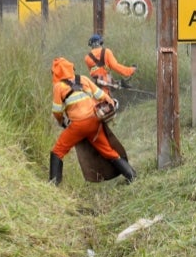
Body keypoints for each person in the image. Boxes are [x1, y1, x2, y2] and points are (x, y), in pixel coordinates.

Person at [50, 57, 136, 185]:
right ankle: (131, 175)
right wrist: (112, 104)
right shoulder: (83, 79)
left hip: (78, 126)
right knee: (108, 151)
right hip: (95, 121)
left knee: (58, 151)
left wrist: (62, 122)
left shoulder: (59, 87)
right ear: (71, 68)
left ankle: (53, 184)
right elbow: (102, 96)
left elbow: (57, 111)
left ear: (56, 73)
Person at [84, 34, 136, 98]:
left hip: (95, 85)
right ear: (100, 42)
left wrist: (116, 83)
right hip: (105, 85)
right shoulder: (106, 52)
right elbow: (115, 66)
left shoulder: (87, 58)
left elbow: (95, 73)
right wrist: (130, 71)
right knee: (109, 104)